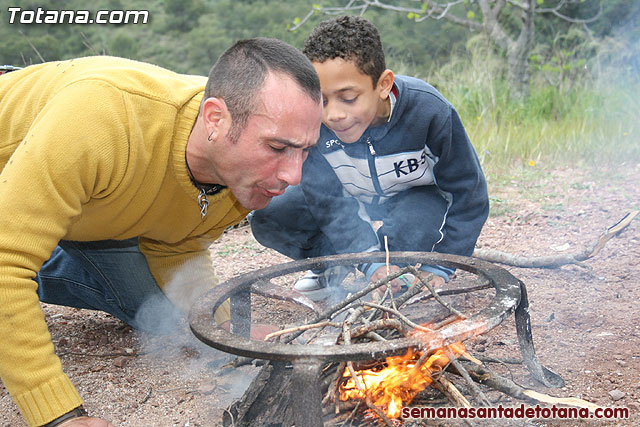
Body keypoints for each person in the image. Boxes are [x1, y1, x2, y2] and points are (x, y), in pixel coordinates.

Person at [0, 38, 322, 427]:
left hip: (88, 206)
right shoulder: (101, 119)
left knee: (160, 314)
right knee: (15, 266)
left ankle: (40, 249)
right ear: (216, 119)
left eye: (305, 150)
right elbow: (5, 263)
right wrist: (59, 415)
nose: (294, 174)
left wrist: (224, 326)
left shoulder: (238, 173)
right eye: (277, 147)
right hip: (20, 162)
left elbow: (179, 240)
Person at [250, 16, 489, 300]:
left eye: (348, 98)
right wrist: (366, 257)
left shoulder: (429, 113)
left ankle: (396, 266)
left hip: (411, 202)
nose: (333, 115)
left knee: (418, 219)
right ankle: (334, 266)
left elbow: (468, 194)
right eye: (321, 100)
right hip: (349, 199)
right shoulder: (312, 122)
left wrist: (441, 265)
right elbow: (327, 201)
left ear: (383, 85)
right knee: (274, 212)